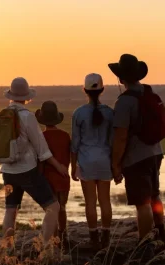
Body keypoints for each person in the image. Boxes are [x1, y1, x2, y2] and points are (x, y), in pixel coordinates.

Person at [0, 77, 70, 246]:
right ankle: (45, 247)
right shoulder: (27, 116)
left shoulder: (3, 115)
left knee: (11, 209)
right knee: (53, 207)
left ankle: (7, 249)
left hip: (7, 170)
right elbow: (42, 150)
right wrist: (59, 166)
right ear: (26, 96)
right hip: (27, 171)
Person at [108, 54, 165, 244]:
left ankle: (145, 243)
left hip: (136, 158)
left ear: (121, 78)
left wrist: (116, 165)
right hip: (155, 152)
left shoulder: (124, 102)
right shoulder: (148, 93)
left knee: (142, 203)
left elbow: (121, 136)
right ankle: (160, 233)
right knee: (154, 195)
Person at [71, 73, 114, 250]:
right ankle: (106, 236)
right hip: (105, 161)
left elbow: (75, 143)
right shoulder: (110, 113)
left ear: (85, 90)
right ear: (102, 90)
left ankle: (93, 237)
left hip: (86, 161)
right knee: (105, 200)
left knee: (90, 202)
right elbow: (113, 141)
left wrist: (73, 166)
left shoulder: (79, 113)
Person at [35, 101, 71, 247]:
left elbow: (41, 161)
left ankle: (55, 239)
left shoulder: (41, 137)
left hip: (48, 179)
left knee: (52, 209)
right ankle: (63, 233)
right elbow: (68, 157)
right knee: (62, 207)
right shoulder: (65, 136)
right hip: (63, 178)